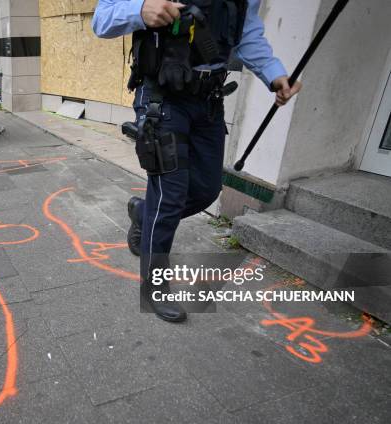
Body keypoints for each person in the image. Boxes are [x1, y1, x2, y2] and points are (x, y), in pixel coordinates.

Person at [92, 0, 302, 323]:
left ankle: (143, 213)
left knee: (207, 189)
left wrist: (275, 75)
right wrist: (141, 10)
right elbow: (102, 18)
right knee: (170, 193)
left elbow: (245, 32)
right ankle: (155, 287)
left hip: (208, 100)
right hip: (162, 96)